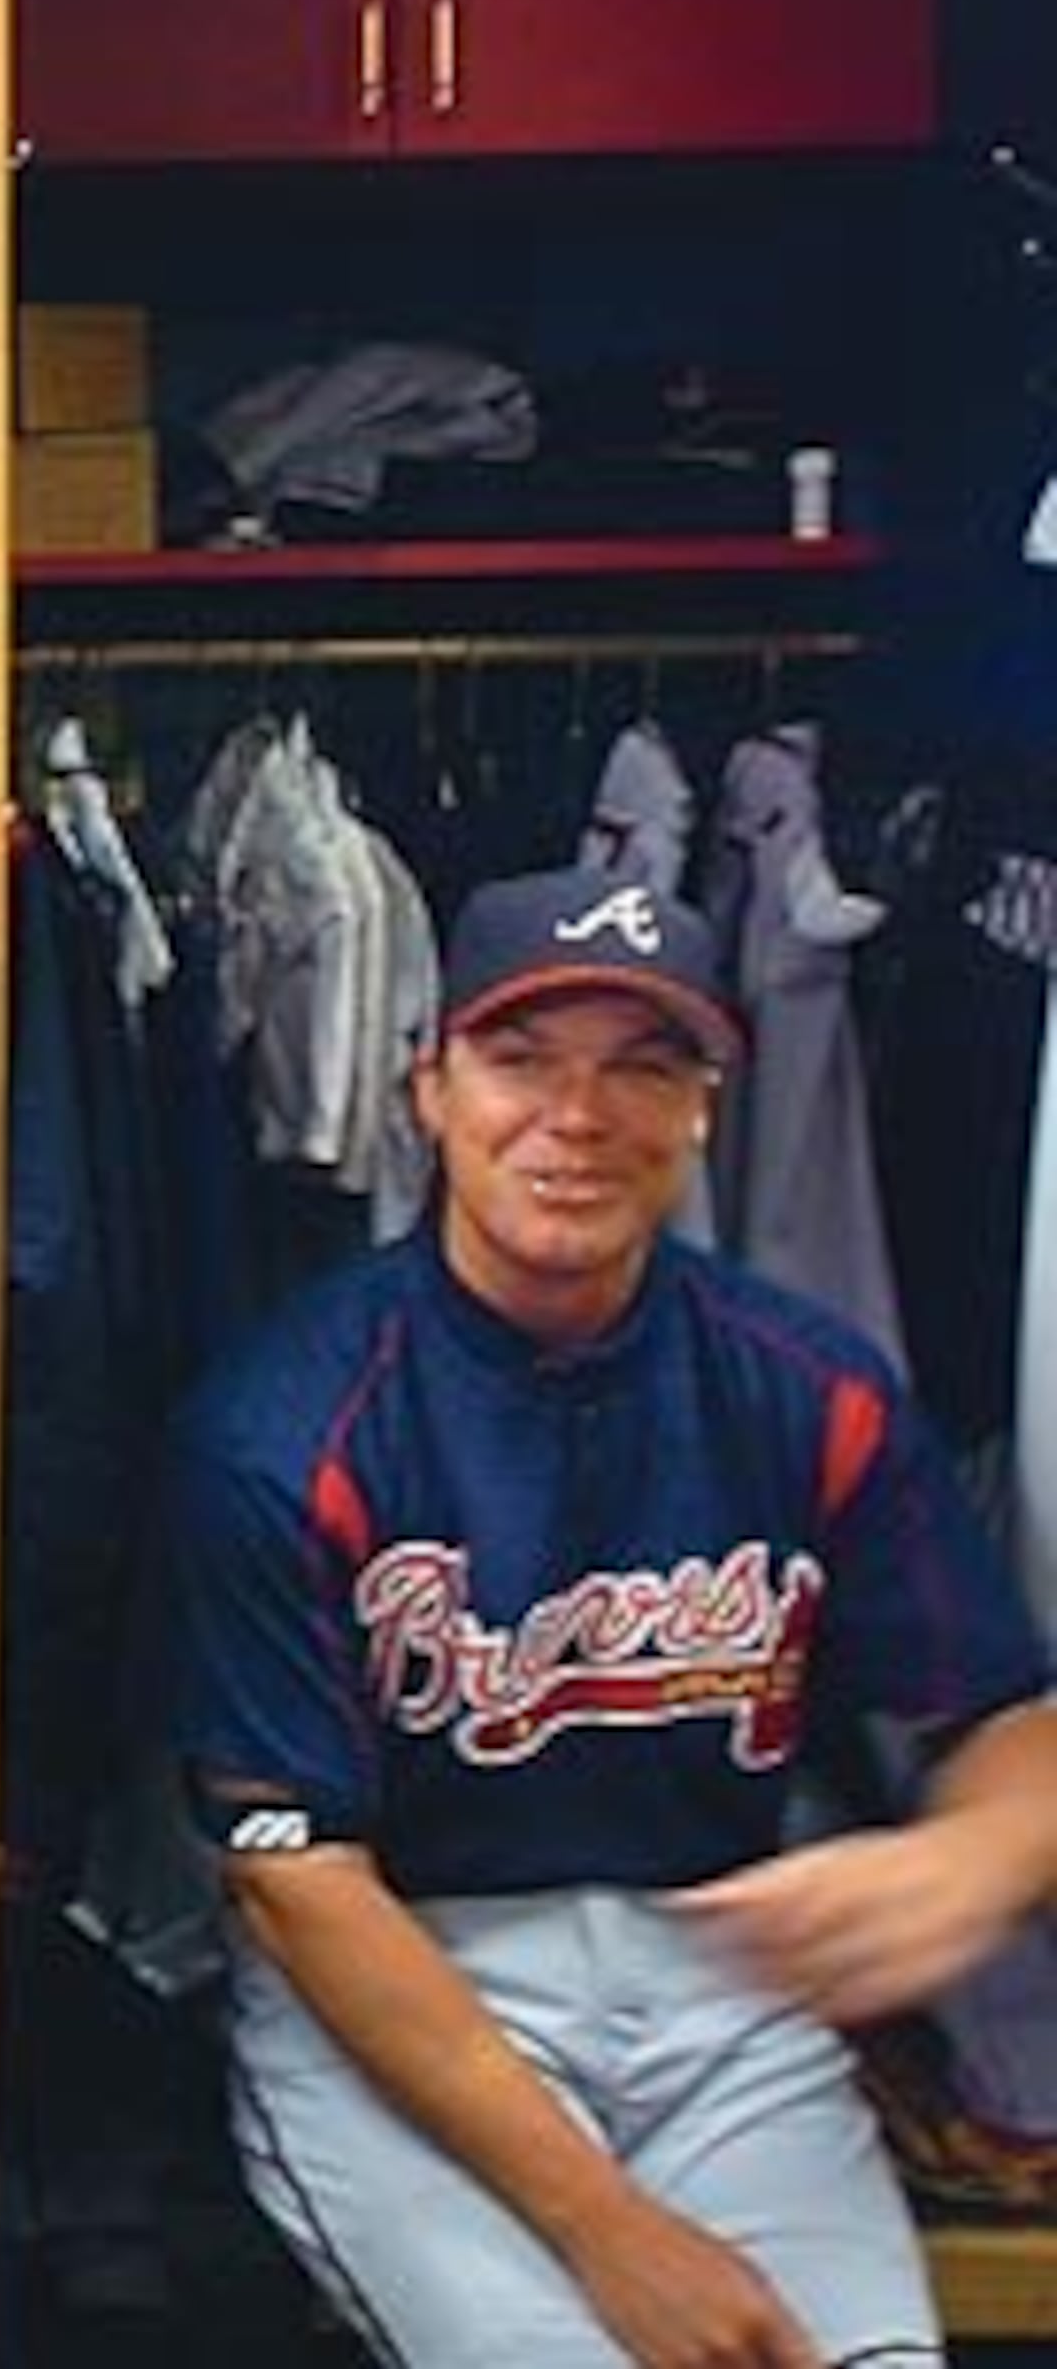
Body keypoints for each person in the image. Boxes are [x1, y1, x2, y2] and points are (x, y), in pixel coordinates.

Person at [169, 863, 1057, 2369]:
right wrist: (611, 2229)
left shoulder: (805, 1382)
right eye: (521, 1058)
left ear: (706, 1105)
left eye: (644, 1064)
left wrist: (974, 1853)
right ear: (428, 1088)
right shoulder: (286, 1420)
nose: (579, 1117)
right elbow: (296, 1878)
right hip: (401, 1984)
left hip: (723, 1981)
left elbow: (1004, 1714)